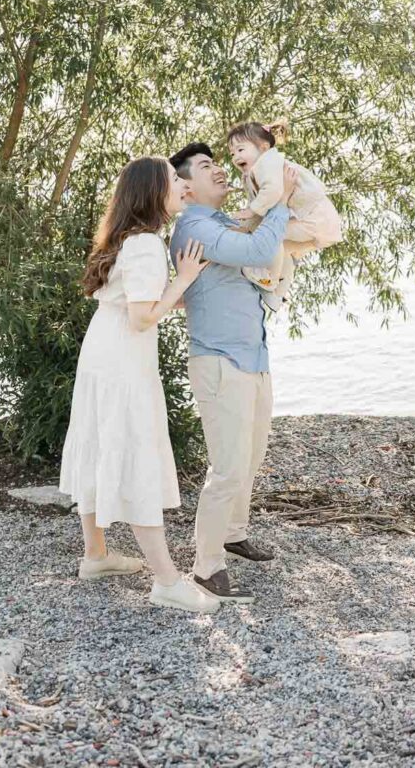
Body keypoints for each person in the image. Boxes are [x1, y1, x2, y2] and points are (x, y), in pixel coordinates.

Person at [59, 156, 220, 614]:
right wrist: (184, 281)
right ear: (154, 191)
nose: (183, 186)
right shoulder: (147, 244)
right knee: (135, 452)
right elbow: (142, 316)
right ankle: (167, 580)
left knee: (99, 443)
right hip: (124, 361)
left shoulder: (125, 239)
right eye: (175, 180)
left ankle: (96, 554)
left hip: (101, 354)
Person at [169, 143, 298, 604]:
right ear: (186, 186)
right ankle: (206, 567)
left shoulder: (224, 220)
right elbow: (262, 251)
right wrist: (280, 200)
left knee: (252, 455)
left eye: (217, 163)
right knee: (226, 468)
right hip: (220, 361)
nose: (219, 170)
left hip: (253, 357)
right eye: (206, 167)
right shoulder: (195, 228)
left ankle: (233, 533)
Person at [228, 119, 342, 307]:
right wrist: (246, 222)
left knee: (274, 237)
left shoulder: (267, 163)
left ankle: (269, 279)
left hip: (314, 217)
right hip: (313, 219)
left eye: (240, 150)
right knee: (283, 251)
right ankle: (278, 293)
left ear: (263, 148)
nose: (235, 156)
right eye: (232, 153)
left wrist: (250, 212)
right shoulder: (254, 172)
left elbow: (272, 192)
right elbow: (263, 207)